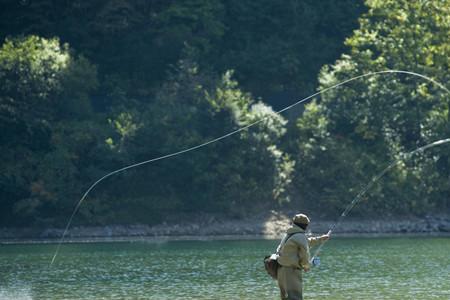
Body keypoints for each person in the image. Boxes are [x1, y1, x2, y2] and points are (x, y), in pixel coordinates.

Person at [276, 213, 329, 300]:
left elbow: (306, 241)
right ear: (305, 225)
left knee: (285, 297)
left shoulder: (289, 234)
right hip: (291, 271)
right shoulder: (300, 236)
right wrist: (306, 266)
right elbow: (305, 254)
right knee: (295, 297)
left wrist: (321, 239)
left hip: (281, 270)